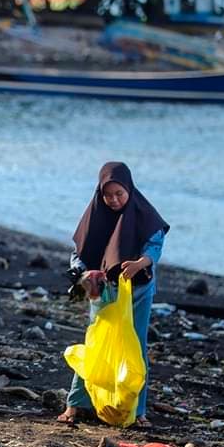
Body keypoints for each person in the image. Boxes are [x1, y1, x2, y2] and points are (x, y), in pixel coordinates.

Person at [58, 161, 169, 428]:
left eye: (119, 194)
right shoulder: (95, 215)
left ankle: (137, 410)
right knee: (96, 343)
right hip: (104, 289)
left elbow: (155, 244)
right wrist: (82, 273)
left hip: (138, 289)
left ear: (129, 189)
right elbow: (80, 252)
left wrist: (140, 263)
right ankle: (75, 405)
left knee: (135, 346)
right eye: (108, 195)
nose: (113, 200)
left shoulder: (144, 214)